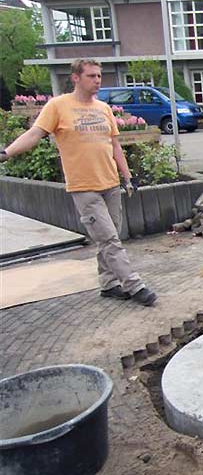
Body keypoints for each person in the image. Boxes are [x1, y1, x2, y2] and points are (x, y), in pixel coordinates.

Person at [0, 58, 157, 307]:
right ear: (76, 78)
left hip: (110, 184)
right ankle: (134, 285)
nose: (97, 81)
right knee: (108, 239)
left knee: (110, 236)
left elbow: (115, 146)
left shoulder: (103, 108)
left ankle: (108, 285)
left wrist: (127, 177)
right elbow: (35, 134)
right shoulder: (58, 106)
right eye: (91, 76)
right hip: (84, 188)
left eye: (99, 76)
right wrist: (7, 153)